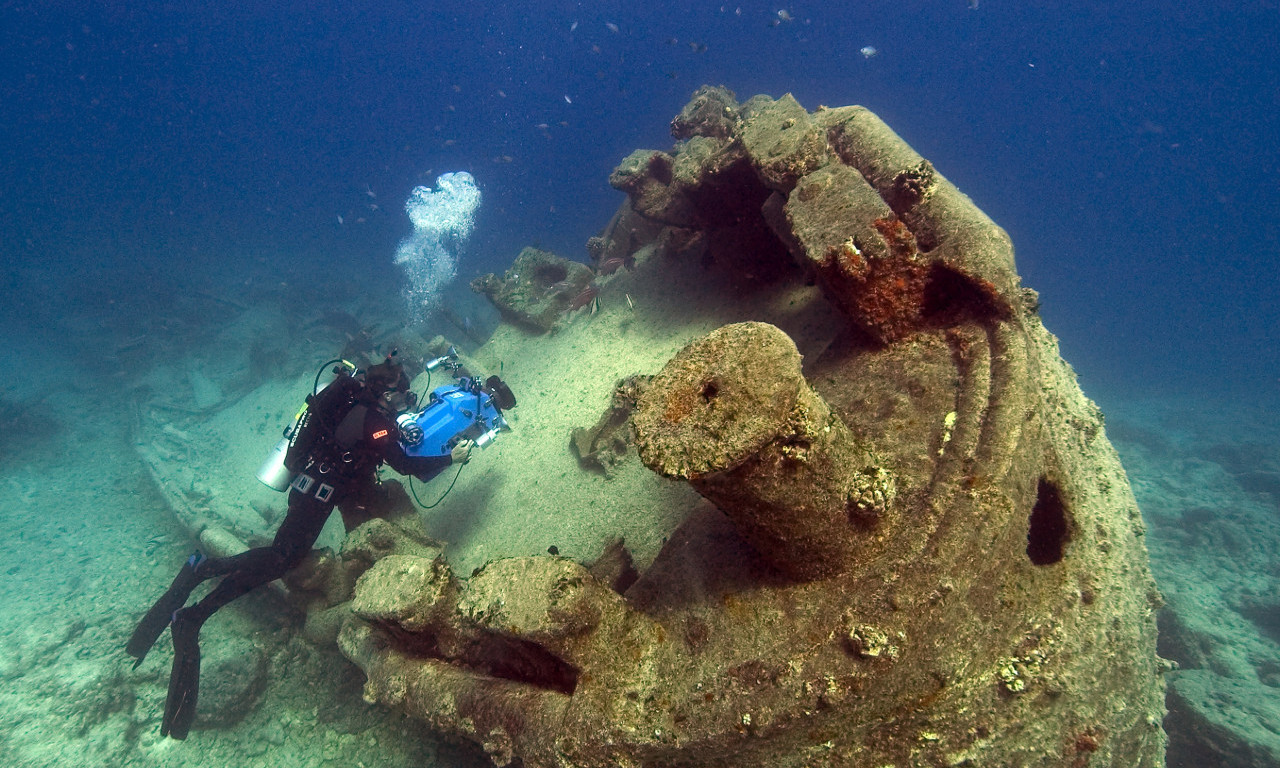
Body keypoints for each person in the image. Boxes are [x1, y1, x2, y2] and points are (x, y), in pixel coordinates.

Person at [125, 353, 474, 739]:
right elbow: (409, 467)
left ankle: (198, 608)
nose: (405, 404)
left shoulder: (352, 401)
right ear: (387, 392)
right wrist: (451, 457)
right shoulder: (375, 421)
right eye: (402, 396)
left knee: (278, 559)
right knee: (281, 557)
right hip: (318, 496)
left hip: (308, 486)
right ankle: (201, 577)